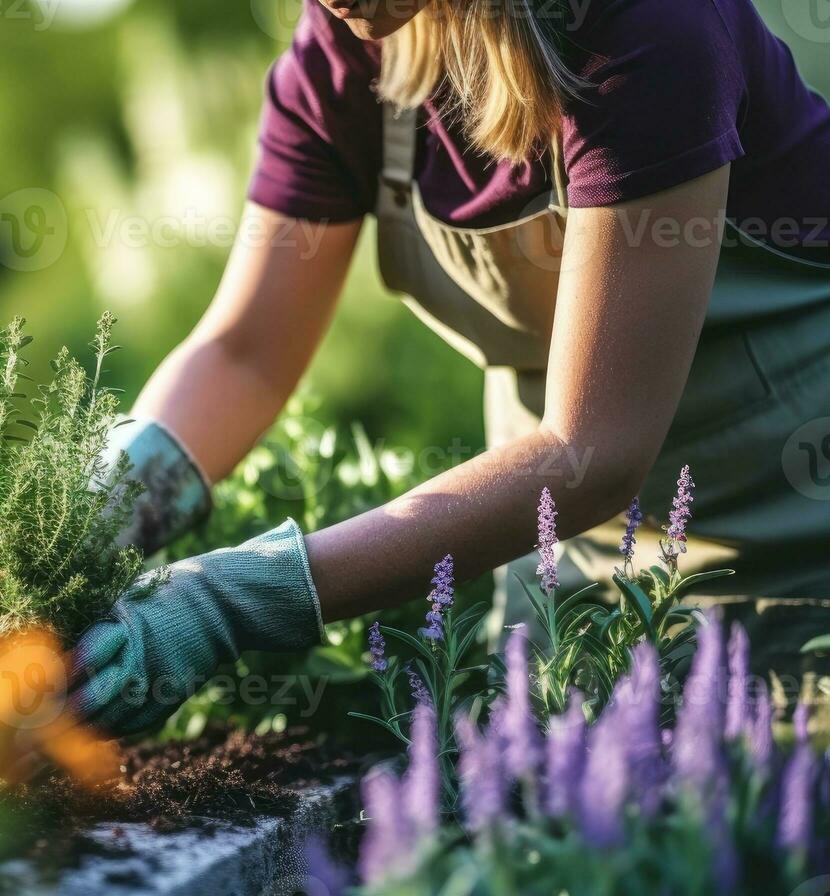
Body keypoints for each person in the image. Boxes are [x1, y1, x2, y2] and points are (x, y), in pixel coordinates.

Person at [64, 0, 830, 736]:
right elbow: (247, 353)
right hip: (565, 563)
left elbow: (591, 450)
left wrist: (232, 601)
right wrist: (84, 524)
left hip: (786, 551)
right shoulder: (352, 45)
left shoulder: (648, 26)